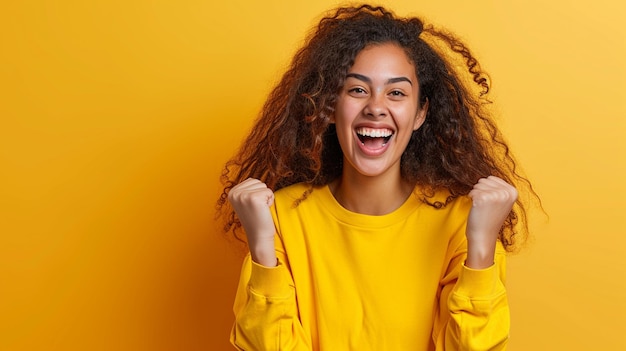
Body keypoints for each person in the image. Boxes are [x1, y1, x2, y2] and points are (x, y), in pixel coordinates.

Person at [217, 4, 538, 350]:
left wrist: (481, 246)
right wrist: (263, 247)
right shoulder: (280, 216)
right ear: (329, 106)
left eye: (396, 92)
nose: (375, 106)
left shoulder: (463, 221)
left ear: (420, 113)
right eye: (357, 90)